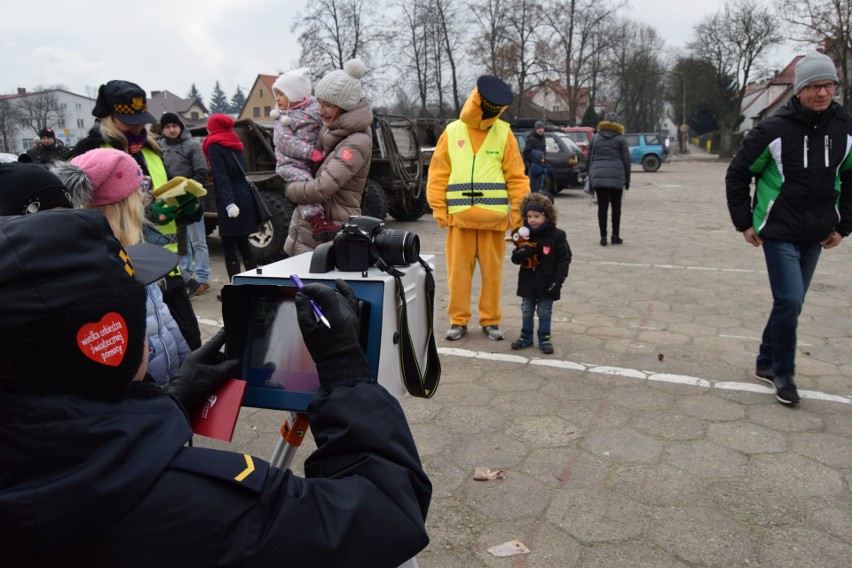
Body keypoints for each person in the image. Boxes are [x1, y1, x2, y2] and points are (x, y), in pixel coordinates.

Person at [0, 209, 431, 566]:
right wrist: (345, 372)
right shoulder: (203, 509)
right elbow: (387, 515)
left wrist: (166, 404)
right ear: (113, 343)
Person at [726, 51, 852, 405]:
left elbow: (851, 178)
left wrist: (844, 226)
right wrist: (744, 222)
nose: (822, 93)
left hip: (819, 233)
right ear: (799, 90)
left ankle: (766, 361)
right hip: (777, 230)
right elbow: (738, 174)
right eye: (814, 86)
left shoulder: (845, 128)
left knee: (789, 304)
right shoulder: (774, 130)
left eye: (827, 85)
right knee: (790, 299)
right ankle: (784, 372)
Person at [73, 79, 202, 350]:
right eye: (127, 120)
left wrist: (186, 209)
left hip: (167, 267)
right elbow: (82, 216)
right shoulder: (91, 152)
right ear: (107, 118)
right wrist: (150, 214)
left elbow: (165, 196)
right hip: (122, 271)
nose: (137, 127)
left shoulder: (152, 150)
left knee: (190, 343)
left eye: (140, 119)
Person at [52, 148, 190, 385]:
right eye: (141, 189)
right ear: (124, 204)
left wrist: (188, 365)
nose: (146, 198)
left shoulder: (135, 254)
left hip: (168, 384)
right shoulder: (101, 273)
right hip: (147, 393)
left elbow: (163, 319)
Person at [426, 75, 529, 341]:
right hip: (459, 220)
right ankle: (458, 321)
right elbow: (438, 173)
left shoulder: (504, 133)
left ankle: (491, 320)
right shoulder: (452, 131)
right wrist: (439, 209)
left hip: (493, 221)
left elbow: (517, 178)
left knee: (492, 275)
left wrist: (519, 219)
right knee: (458, 275)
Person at [283, 59, 373, 257]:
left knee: (319, 286)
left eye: (328, 105)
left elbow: (323, 187)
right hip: (312, 231)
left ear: (345, 106)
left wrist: (291, 189)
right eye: (319, 103)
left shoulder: (356, 142)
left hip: (332, 232)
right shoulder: (330, 130)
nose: (320, 111)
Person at [271, 68, 340, 241]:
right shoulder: (281, 118)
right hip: (290, 163)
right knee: (305, 185)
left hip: (311, 158)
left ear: (295, 94)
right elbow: (285, 142)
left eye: (281, 94)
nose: (277, 98)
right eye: (276, 94)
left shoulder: (315, 108)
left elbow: (325, 123)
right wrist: (310, 152)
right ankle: (317, 222)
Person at [202, 113, 260, 288]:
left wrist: (228, 202)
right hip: (244, 194)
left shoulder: (214, 145)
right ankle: (253, 284)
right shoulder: (234, 141)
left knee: (229, 246)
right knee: (244, 243)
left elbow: (221, 177)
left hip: (231, 198)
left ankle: (236, 289)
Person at [509, 192, 571, 354]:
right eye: (529, 216)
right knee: (527, 310)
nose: (532, 220)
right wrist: (522, 251)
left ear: (547, 216)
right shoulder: (524, 237)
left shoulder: (557, 235)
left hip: (548, 282)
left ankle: (544, 337)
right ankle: (526, 336)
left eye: (536, 216)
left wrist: (557, 281)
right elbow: (515, 259)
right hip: (528, 281)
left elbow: (564, 259)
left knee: (544, 311)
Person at [158, 112, 211, 297]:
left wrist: (188, 192)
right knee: (181, 244)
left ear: (180, 127)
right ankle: (186, 278)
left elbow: (202, 171)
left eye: (174, 126)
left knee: (198, 241)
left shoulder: (192, 146)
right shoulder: (158, 147)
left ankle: (203, 278)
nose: (172, 130)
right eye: (167, 127)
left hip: (191, 201)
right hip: (170, 202)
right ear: (163, 129)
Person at [587, 112, 630, 246]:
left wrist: (590, 174)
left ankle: (603, 237)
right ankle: (615, 236)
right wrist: (627, 179)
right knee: (616, 207)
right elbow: (626, 160)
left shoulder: (595, 138)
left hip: (599, 177)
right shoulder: (621, 139)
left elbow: (589, 157)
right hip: (617, 177)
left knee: (602, 207)